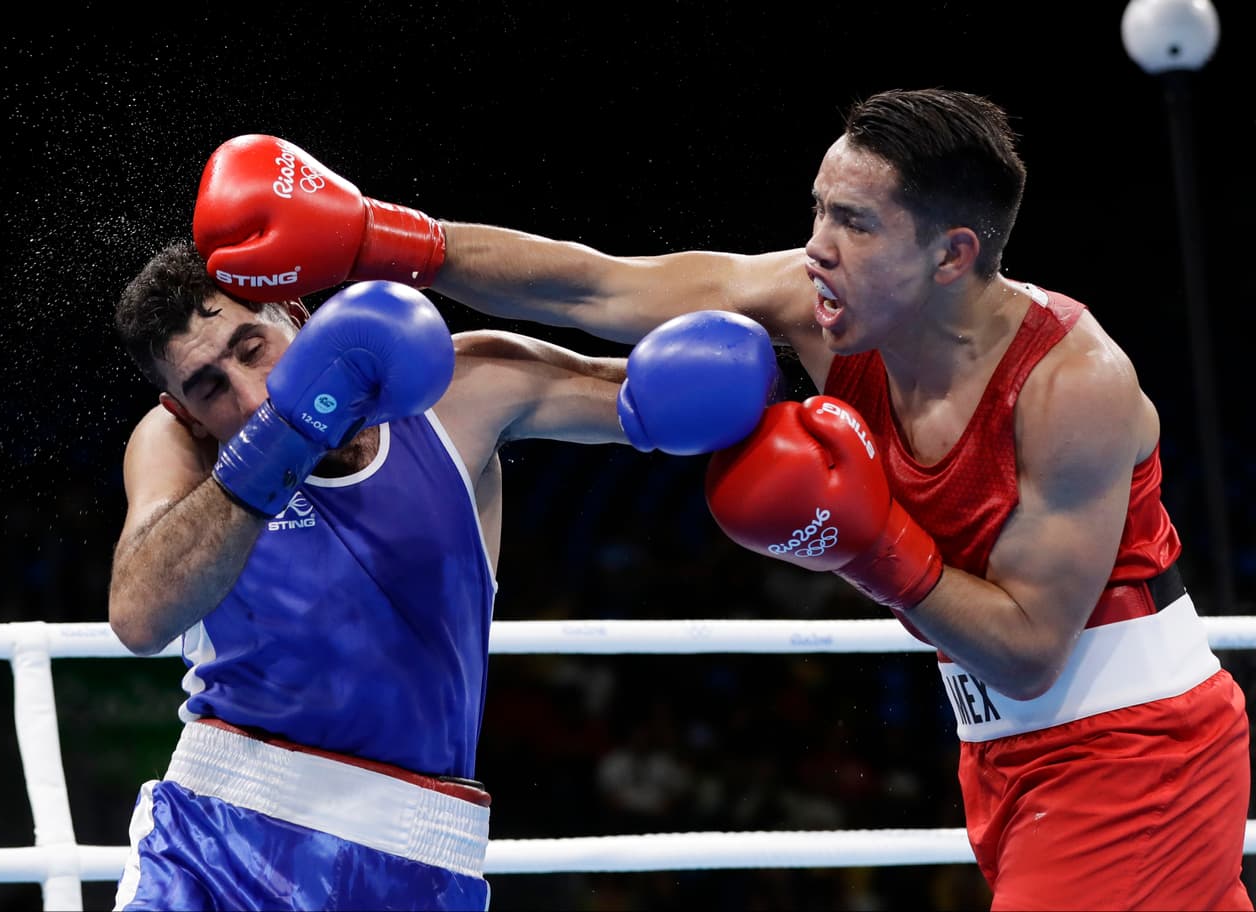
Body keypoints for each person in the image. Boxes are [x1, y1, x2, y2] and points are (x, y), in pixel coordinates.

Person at [189, 88, 1252, 910]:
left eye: (853, 223)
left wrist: (865, 538)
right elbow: (598, 288)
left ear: (950, 254)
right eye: (815, 211)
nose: (816, 245)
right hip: (1004, 752)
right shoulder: (816, 306)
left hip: (1129, 745)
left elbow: (1028, 648)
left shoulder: (1074, 385)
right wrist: (383, 237)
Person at [107, 239, 780, 910]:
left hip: (417, 847)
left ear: (293, 309)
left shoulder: (457, 393)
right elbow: (139, 616)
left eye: (253, 349)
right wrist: (288, 429)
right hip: (214, 837)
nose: (250, 394)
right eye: (210, 388)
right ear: (184, 410)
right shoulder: (179, 450)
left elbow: (680, 388)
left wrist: (794, 370)